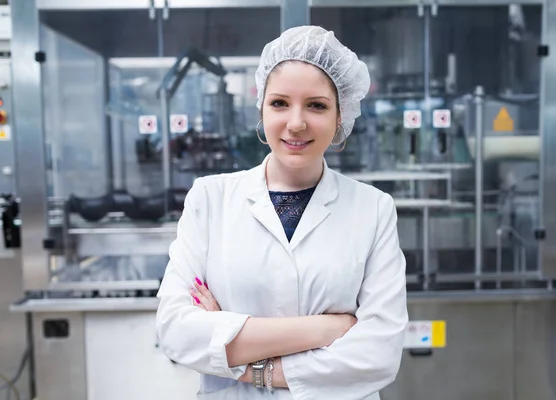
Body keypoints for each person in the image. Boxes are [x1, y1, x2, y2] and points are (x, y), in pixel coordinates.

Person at [155, 25, 408, 400]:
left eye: (317, 105)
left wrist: (239, 358)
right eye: (279, 103)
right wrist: (326, 330)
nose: (296, 122)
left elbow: (378, 355)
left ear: (341, 116)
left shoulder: (373, 209)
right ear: (261, 108)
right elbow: (176, 332)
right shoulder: (210, 198)